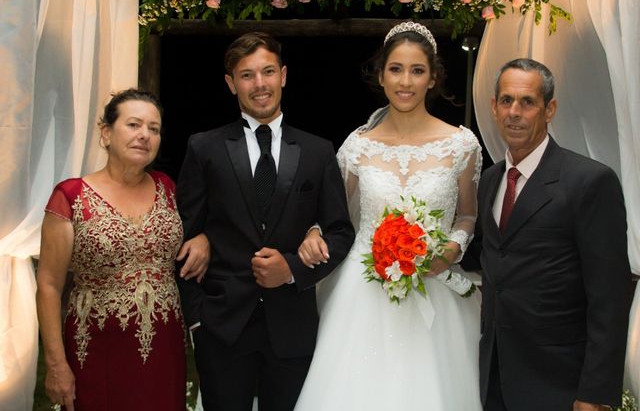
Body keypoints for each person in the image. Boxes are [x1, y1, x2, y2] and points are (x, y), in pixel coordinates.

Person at [294, 21, 484, 409]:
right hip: (362, 294)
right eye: (396, 69)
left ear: (433, 77)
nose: (406, 81)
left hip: (434, 291)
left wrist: (452, 247)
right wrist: (314, 232)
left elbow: (467, 216)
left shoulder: (461, 144)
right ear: (380, 75)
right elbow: (332, 216)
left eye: (417, 70)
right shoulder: (356, 147)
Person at [176, 32, 355, 411]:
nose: (259, 84)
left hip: (291, 327)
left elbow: (340, 230)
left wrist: (291, 269)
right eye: (247, 75)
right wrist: (197, 321)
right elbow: (184, 237)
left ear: (284, 75)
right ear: (231, 84)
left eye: (268, 71)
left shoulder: (317, 151)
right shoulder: (203, 148)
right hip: (221, 327)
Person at [36, 89, 208, 411]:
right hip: (96, 348)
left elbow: (202, 227)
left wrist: (203, 240)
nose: (145, 135)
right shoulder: (71, 197)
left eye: (154, 129)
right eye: (133, 125)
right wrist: (56, 365)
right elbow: (48, 286)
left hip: (163, 348)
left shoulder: (168, 189)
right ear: (106, 133)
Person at [477, 58, 631, 411]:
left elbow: (609, 297)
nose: (514, 112)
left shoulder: (590, 181)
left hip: (560, 383)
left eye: (527, 102)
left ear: (550, 109)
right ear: (494, 107)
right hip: (497, 375)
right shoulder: (491, 180)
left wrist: (595, 393)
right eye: (506, 101)